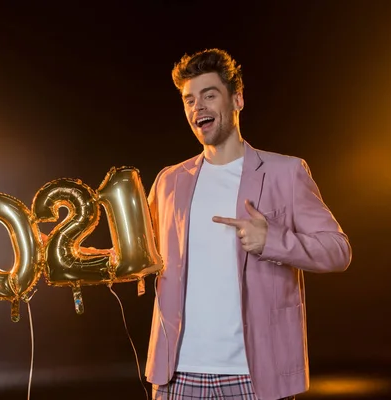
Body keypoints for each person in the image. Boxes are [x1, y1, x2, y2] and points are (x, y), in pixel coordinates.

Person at [145, 48, 352, 400]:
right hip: (177, 375)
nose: (198, 107)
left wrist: (273, 241)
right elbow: (142, 255)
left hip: (255, 376)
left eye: (209, 95)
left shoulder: (285, 173)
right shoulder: (169, 181)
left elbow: (338, 250)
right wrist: (88, 258)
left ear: (237, 99)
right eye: (189, 99)